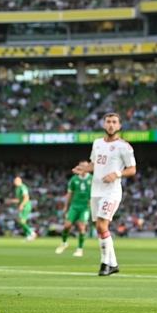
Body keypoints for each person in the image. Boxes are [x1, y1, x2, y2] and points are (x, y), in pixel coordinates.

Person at [72, 112, 136, 276]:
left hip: (111, 191)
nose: (111, 125)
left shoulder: (124, 146)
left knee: (102, 225)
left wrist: (117, 174)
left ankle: (104, 264)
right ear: (103, 124)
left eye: (114, 122)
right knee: (101, 228)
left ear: (119, 126)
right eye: (108, 122)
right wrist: (83, 169)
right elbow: (95, 164)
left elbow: (132, 169)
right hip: (96, 191)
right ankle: (113, 264)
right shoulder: (97, 143)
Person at [55, 161, 92, 257]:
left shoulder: (92, 179)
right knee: (67, 226)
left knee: (81, 226)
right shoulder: (74, 179)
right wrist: (66, 206)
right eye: (81, 166)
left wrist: (92, 202)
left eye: (85, 166)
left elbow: (96, 192)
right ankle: (64, 243)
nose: (83, 167)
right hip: (75, 206)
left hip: (85, 207)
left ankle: (80, 249)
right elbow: (70, 193)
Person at [6, 176, 37, 241]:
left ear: (20, 181)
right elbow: (19, 199)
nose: (15, 182)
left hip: (26, 206)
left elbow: (26, 197)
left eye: (16, 181)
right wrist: (10, 201)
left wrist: (22, 205)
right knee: (20, 221)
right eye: (14, 181)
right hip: (23, 205)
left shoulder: (23, 187)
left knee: (22, 221)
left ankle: (32, 233)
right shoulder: (17, 189)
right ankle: (28, 235)